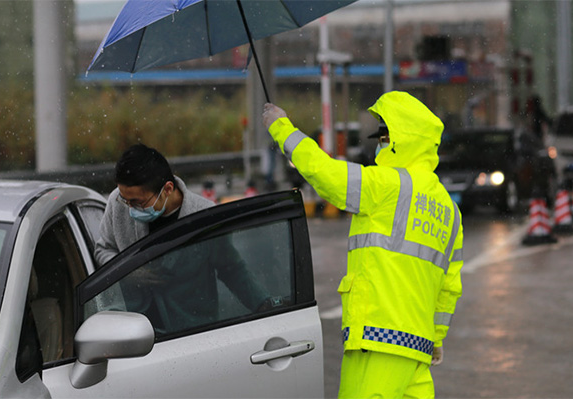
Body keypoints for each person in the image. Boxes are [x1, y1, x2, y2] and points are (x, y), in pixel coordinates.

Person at [263, 91, 464, 398]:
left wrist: (282, 128)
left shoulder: (386, 185)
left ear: (402, 139)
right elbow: (449, 288)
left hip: (378, 340)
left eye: (384, 135)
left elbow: (324, 171)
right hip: (417, 352)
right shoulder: (449, 210)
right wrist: (435, 339)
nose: (379, 143)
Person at [94, 143, 269, 331]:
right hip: (132, 328)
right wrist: (128, 272)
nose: (128, 207)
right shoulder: (117, 201)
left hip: (190, 331)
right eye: (124, 199)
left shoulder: (205, 217)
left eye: (137, 202)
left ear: (167, 189)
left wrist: (263, 304)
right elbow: (103, 249)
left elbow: (232, 269)